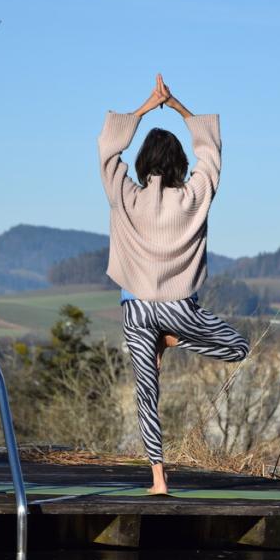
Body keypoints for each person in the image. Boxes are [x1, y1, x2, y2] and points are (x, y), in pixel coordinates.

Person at [98, 74, 249, 494]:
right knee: (238, 347)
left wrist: (144, 108)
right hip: (179, 310)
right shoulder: (193, 198)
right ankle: (174, 340)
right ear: (178, 163)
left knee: (147, 393)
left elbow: (109, 149)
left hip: (136, 309)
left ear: (144, 162)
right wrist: (181, 108)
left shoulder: (124, 196)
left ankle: (158, 480)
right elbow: (211, 154)